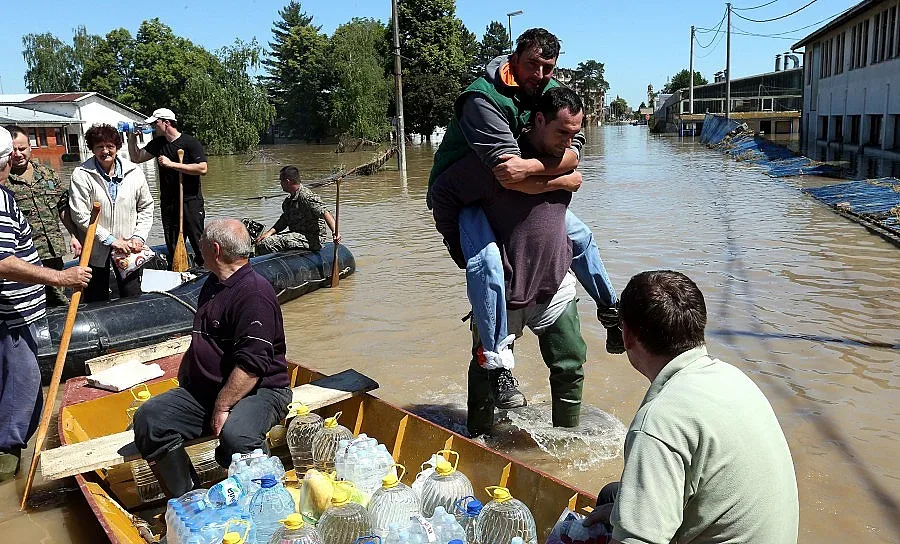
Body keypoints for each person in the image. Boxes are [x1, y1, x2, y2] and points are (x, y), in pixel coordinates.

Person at [427, 28, 622, 409]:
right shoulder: (482, 99)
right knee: (486, 264)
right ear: (515, 57)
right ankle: (498, 362)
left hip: (507, 185)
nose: (540, 74)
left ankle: (611, 310)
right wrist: (563, 177)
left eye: (548, 67)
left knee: (580, 236)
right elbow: (510, 177)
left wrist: (560, 166)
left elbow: (571, 149)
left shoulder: (549, 91)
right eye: (533, 64)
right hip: (464, 196)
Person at [584, 270, 799, 543]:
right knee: (614, 496)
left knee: (620, 511)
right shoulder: (733, 378)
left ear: (627, 336)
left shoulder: (658, 421)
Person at [431, 87, 588, 436]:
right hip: (503, 289)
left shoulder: (564, 157)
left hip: (555, 282)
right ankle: (478, 438)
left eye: (576, 134)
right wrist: (462, 252)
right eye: (563, 132)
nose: (570, 142)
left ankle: (567, 439)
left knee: (571, 363)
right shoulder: (497, 163)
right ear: (538, 120)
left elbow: (570, 166)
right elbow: (441, 195)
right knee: (487, 367)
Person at [133, 219, 292, 497]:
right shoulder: (214, 283)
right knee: (151, 419)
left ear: (215, 249)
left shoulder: (253, 293)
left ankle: (263, 499)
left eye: (203, 242)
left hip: (261, 390)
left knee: (237, 436)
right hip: (210, 390)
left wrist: (222, 407)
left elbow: (252, 366)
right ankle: (188, 499)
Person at [0, 127, 91, 480]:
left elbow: (65, 212)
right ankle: (8, 472)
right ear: (7, 158)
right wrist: (61, 278)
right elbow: (4, 262)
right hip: (9, 318)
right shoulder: (3, 198)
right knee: (22, 391)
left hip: (16, 312)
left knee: (20, 390)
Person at [69, 124, 154, 303]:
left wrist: (139, 237)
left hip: (128, 246)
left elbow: (146, 207)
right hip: (96, 246)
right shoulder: (81, 174)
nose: (105, 151)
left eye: (110, 146)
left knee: (132, 293)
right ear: (92, 148)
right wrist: (111, 240)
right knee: (95, 295)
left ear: (117, 147)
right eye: (99, 147)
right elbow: (80, 215)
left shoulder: (134, 172)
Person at [4, 125, 78, 307]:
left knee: (58, 299)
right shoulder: (4, 181)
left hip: (53, 251)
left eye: (22, 148)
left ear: (30, 147)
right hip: (24, 257)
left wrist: (74, 236)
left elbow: (62, 207)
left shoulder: (47, 174)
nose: (18, 154)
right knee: (30, 301)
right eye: (13, 150)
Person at [127, 108, 207, 268]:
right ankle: (178, 270)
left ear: (166, 123)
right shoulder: (158, 144)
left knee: (198, 241)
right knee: (172, 243)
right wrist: (131, 138)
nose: (154, 127)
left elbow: (203, 168)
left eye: (156, 123)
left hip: (190, 201)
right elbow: (136, 158)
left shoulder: (190, 142)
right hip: (169, 203)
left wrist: (173, 165)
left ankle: (206, 270)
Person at [255, 165, 341, 255]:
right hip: (297, 235)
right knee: (262, 241)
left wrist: (335, 232)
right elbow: (284, 221)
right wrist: (269, 233)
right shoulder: (288, 201)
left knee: (267, 243)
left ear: (287, 181)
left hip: (312, 239)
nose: (280, 183)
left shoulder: (306, 196)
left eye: (281, 180)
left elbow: (325, 213)